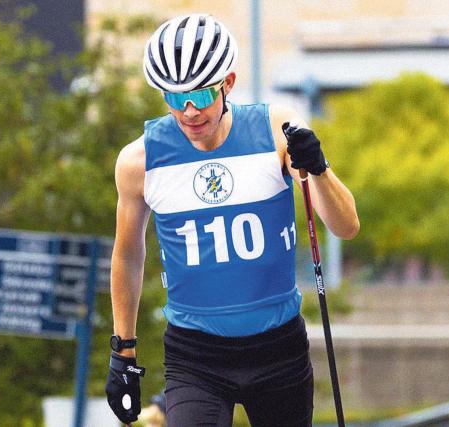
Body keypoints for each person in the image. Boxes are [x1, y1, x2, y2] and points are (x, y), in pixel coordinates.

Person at [104, 13, 359, 427]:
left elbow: (345, 226)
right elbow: (128, 255)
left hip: (279, 350)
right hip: (195, 356)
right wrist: (123, 352)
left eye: (202, 96)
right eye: (174, 96)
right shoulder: (139, 161)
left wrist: (320, 169)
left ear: (228, 84)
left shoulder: (276, 130)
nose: (189, 111)